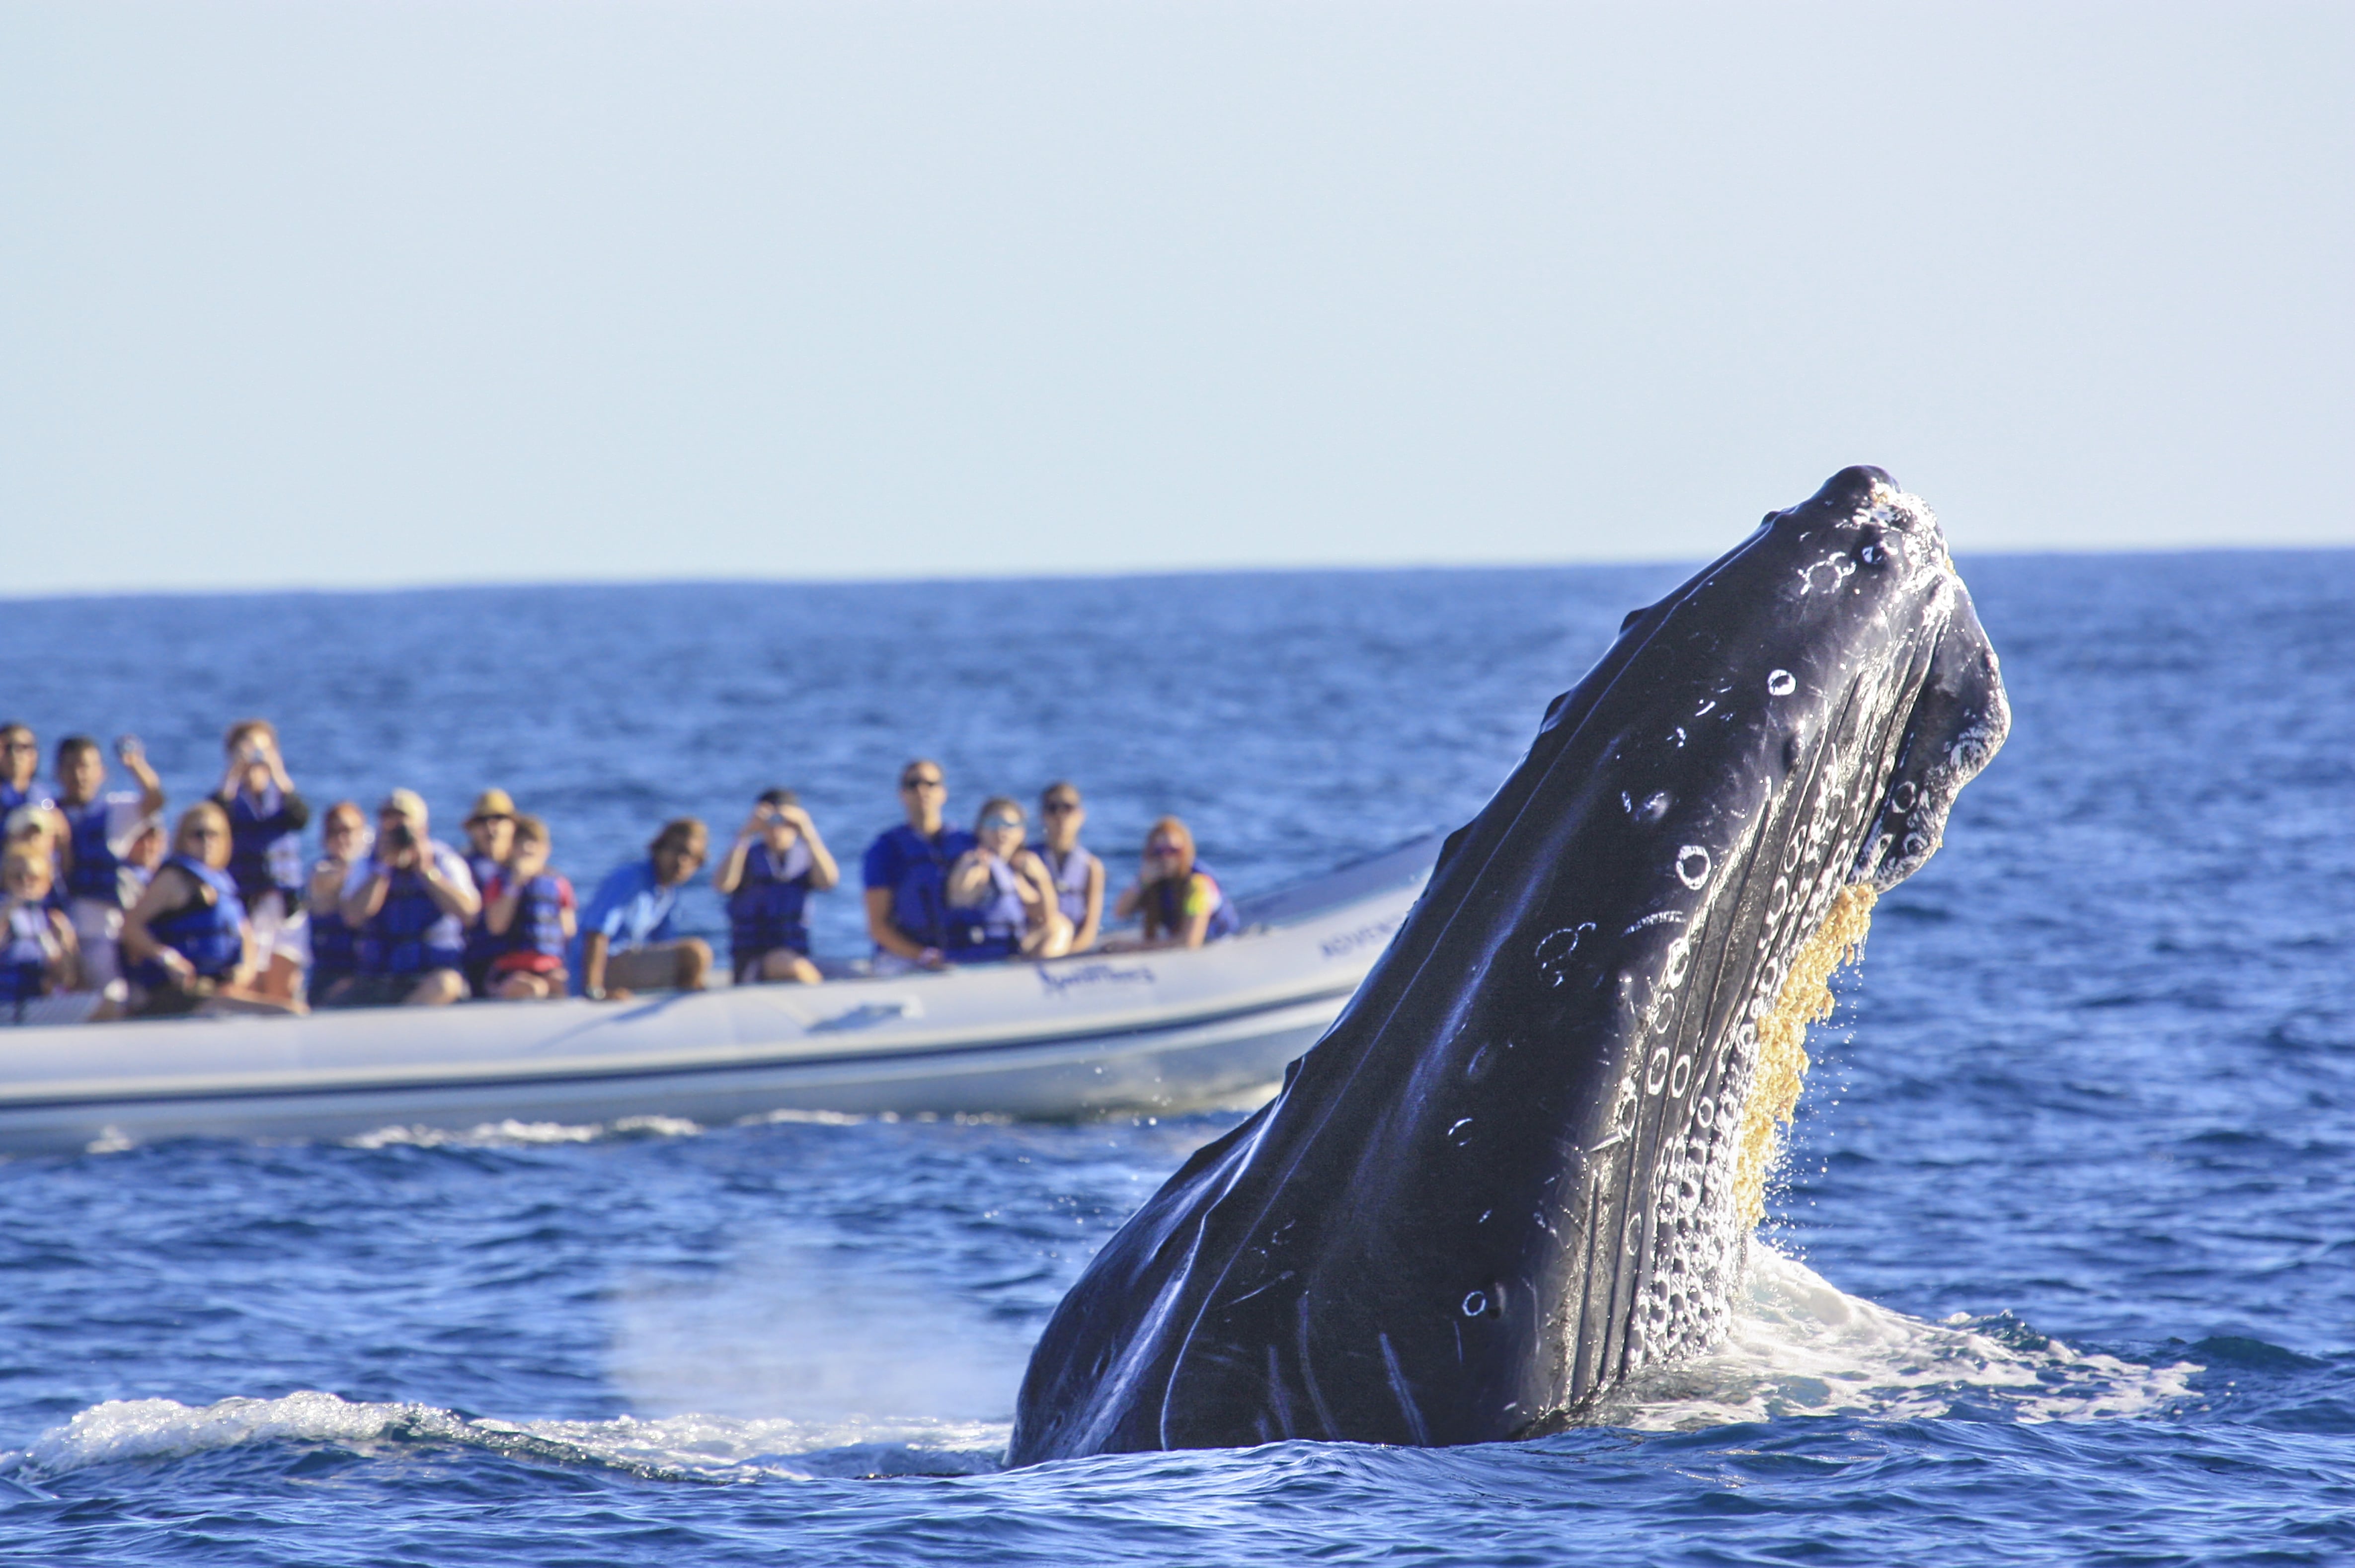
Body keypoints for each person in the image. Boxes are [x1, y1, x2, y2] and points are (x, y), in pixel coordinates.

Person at [119, 802, 301, 1018]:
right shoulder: (173, 879)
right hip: (183, 994)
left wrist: (243, 973)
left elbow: (246, 940)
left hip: (220, 989)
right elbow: (131, 925)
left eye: (214, 835)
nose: (207, 842)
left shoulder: (224, 883)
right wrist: (166, 957)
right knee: (287, 1014)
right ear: (184, 839)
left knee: (289, 1007)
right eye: (198, 834)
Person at [328, 789, 479, 1007]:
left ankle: (402, 1023)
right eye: (389, 822)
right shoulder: (368, 864)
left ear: (422, 829)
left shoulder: (445, 861)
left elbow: (469, 913)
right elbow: (353, 916)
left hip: (430, 975)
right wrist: (383, 869)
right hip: (380, 978)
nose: (397, 830)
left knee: (446, 983)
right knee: (334, 1000)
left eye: (403, 823)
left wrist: (427, 873)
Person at [51, 733, 165, 993]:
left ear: (101, 773)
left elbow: (155, 800)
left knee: (110, 998)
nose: (79, 775)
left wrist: (135, 764)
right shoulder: (46, 814)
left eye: (86, 767)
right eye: (70, 767)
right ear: (58, 773)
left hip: (102, 931)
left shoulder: (114, 812)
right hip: (59, 927)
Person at [209, 720, 310, 1004]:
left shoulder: (282, 799)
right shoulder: (229, 800)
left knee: (285, 982)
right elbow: (214, 816)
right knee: (249, 977)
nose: (254, 758)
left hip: (284, 904)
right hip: (247, 902)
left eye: (261, 750)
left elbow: (301, 817)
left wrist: (277, 771)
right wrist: (232, 774)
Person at [572, 818, 711, 1000]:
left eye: (693, 857)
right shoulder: (629, 878)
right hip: (593, 971)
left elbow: (664, 943)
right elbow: (596, 932)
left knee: (694, 964)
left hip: (625, 965)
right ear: (659, 849)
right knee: (695, 954)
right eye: (677, 850)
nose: (682, 861)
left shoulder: (667, 893)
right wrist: (593, 991)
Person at [714, 789, 839, 985]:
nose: (776, 827)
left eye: (783, 820)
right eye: (771, 820)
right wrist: (745, 835)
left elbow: (829, 881)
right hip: (753, 963)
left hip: (798, 957)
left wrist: (807, 832)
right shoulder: (745, 857)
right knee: (786, 963)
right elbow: (722, 885)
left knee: (853, 973)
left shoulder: (805, 858)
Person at [862, 760, 975, 973]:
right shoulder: (885, 850)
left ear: (943, 793)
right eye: (913, 784)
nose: (922, 790)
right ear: (902, 794)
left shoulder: (967, 844)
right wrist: (924, 956)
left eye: (930, 784)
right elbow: (877, 926)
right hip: (904, 957)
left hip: (961, 951)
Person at [944, 797, 1070, 961]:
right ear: (980, 830)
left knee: (1060, 926)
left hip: (1009, 950)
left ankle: (1046, 974)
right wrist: (970, 874)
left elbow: (1045, 916)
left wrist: (1042, 880)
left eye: (1010, 825)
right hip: (977, 952)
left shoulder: (1013, 872)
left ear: (1021, 833)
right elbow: (958, 896)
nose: (1001, 831)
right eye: (993, 824)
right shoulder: (973, 861)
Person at [479, 814, 576, 1000]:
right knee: (532, 988)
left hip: (550, 967)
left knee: (565, 984)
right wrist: (514, 885)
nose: (527, 848)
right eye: (520, 842)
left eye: (533, 842)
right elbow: (496, 926)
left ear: (546, 849)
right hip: (510, 970)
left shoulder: (559, 884)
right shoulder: (499, 883)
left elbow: (569, 933)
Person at [1110, 816, 1242, 950]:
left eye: (1174, 851)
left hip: (1217, 947)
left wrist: (1133, 948)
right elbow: (1120, 913)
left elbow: (1189, 942)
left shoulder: (1198, 885)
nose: (1167, 858)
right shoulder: (1153, 881)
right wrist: (1142, 882)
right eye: (1159, 852)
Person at [1, 847, 79, 1023]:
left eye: (33, 878)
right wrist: (7, 913)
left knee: (108, 1007)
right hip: (6, 1006)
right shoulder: (5, 913)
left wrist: (65, 946)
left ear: (46, 884)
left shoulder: (49, 920)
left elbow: (65, 979)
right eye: (17, 877)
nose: (25, 883)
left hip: (37, 1005)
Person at [305, 801, 370, 1005]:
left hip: (370, 972)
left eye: (348, 831)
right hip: (329, 972)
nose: (342, 839)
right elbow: (323, 888)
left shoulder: (375, 872)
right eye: (334, 832)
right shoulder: (321, 871)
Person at [1031, 782, 1104, 953]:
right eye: (1053, 808)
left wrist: (1064, 958)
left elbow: (1090, 930)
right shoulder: (1028, 859)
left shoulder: (1091, 867)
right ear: (1043, 816)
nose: (1060, 816)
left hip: (1071, 952)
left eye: (1068, 808)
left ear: (1081, 815)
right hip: (1034, 945)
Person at [459, 789, 519, 997]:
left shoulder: (533, 871)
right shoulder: (459, 869)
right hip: (478, 962)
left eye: (499, 819)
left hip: (522, 960)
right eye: (483, 821)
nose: (491, 828)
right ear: (473, 830)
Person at [0, 724, 48, 815]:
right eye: (7, 748)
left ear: (35, 755)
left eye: (22, 747)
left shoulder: (44, 798)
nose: (14, 754)